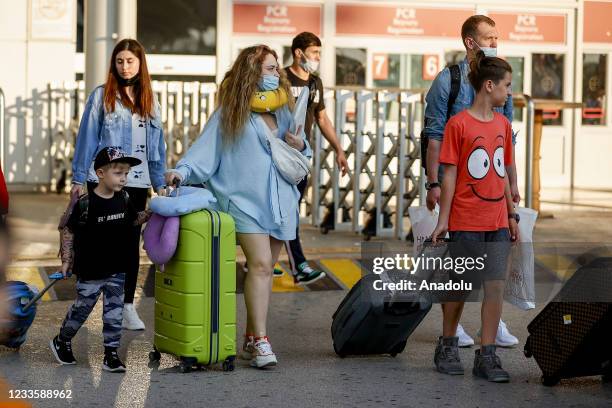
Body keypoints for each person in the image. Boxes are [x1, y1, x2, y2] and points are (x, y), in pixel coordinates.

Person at [164, 45, 310, 369]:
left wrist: (301, 145)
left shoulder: (285, 110)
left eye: (276, 69)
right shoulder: (231, 112)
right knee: (259, 265)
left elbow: (303, 153)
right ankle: (261, 341)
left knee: (264, 272)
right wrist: (181, 171)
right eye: (270, 69)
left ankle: (249, 338)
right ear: (252, 72)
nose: (277, 75)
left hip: (280, 201)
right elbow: (204, 152)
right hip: (243, 201)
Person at [422, 15, 519, 347]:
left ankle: (491, 328)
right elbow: (434, 136)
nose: (495, 43)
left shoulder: (503, 86)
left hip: (493, 191)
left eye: (497, 38)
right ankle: (452, 332)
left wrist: (513, 191)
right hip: (459, 192)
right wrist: (433, 184)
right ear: (470, 42)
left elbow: (507, 144)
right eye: (489, 38)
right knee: (459, 271)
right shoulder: (448, 82)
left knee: (495, 272)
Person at [70, 39, 167, 331]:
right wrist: (77, 178)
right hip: (103, 181)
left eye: (131, 61)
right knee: (96, 243)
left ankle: (125, 306)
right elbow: (87, 138)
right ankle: (86, 300)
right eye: (120, 61)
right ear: (114, 64)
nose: (125, 67)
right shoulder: (102, 96)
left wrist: (159, 183)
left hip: (136, 184)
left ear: (141, 64)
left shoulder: (150, 100)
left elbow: (157, 147)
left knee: (128, 246)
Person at [50, 147, 152, 372]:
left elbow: (134, 220)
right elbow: (68, 230)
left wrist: (154, 211)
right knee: (81, 310)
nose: (124, 178)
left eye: (126, 173)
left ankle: (111, 354)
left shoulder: (124, 198)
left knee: (114, 314)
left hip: (117, 268)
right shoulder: (86, 203)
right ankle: (62, 340)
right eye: (118, 172)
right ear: (100, 173)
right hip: (91, 269)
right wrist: (66, 260)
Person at [274, 32, 349, 284]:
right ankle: (298, 266)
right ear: (299, 52)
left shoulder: (315, 83)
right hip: (279, 157)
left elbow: (322, 118)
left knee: (287, 210)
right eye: (315, 52)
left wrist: (339, 149)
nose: (317, 58)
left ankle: (266, 260)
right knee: (288, 211)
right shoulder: (280, 78)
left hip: (301, 158)